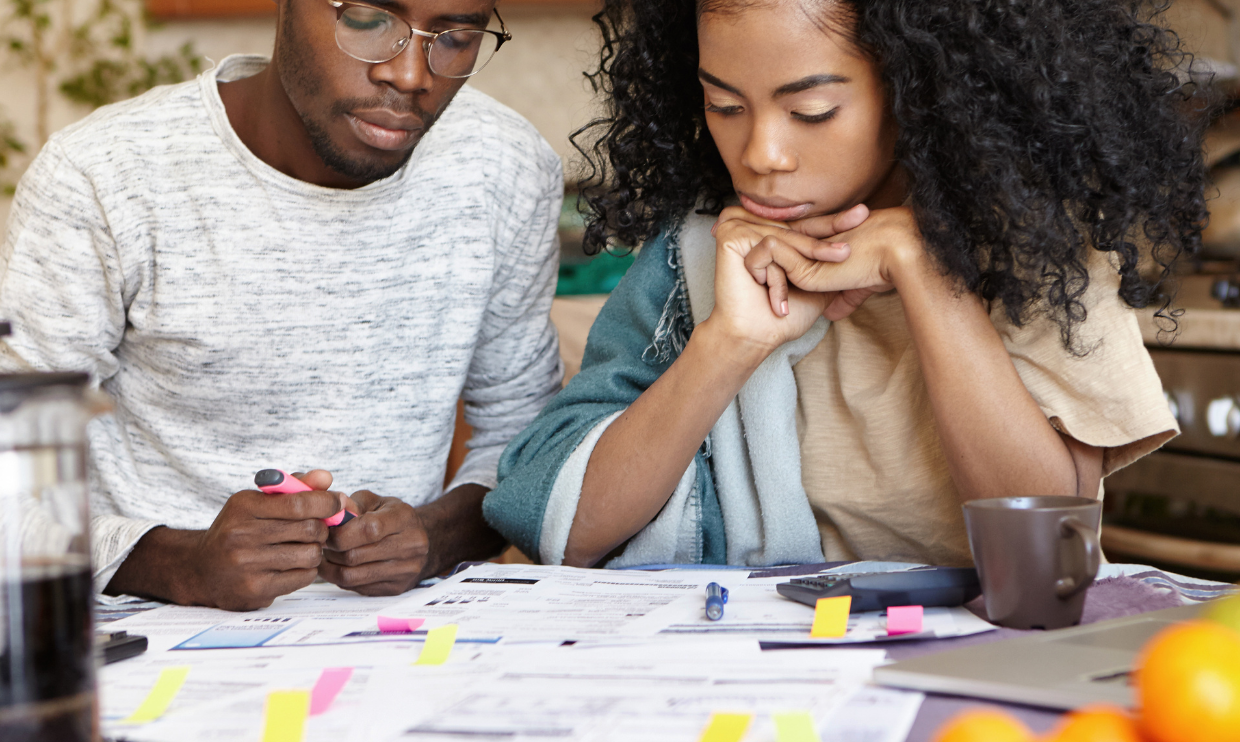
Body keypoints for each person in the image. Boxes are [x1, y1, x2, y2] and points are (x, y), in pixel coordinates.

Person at [483, 0, 1203, 569]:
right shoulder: (697, 259)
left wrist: (920, 267)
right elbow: (562, 530)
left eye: (812, 111)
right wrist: (728, 344)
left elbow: (1048, 551)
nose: (761, 154)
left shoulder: (1040, 257)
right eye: (725, 106)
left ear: (915, 88)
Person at [0, 0, 565, 610]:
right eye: (369, 20)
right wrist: (177, 563)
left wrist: (434, 538)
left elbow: (524, 440)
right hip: (150, 646)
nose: (410, 75)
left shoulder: (507, 165)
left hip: (397, 640)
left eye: (456, 35)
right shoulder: (103, 175)